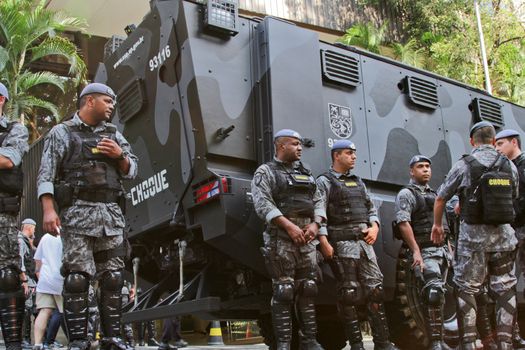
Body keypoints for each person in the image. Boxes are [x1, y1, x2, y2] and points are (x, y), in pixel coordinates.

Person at [37, 83, 138, 350]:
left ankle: (112, 338)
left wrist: (120, 156)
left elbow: (132, 170)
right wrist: (49, 209)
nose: (112, 106)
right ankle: (80, 341)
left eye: (113, 101)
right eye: (107, 100)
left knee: (113, 279)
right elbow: (46, 173)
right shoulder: (62, 133)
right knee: (77, 279)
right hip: (78, 216)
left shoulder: (114, 135)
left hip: (111, 217)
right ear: (89, 101)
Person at [432, 121, 519, 350]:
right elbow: (514, 196)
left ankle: (468, 343)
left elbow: (441, 197)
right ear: (493, 140)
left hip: (473, 240)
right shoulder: (509, 165)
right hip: (504, 238)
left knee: (467, 288)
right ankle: (505, 343)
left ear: (472, 141)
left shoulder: (464, 165)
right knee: (505, 289)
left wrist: (437, 226)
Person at [316, 140, 398, 350]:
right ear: (336, 156)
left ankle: (382, 343)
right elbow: (319, 213)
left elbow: (371, 208)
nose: (353, 156)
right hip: (342, 244)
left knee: (376, 291)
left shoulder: (358, 182)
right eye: (348, 153)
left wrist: (375, 227)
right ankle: (356, 345)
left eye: (354, 152)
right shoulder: (324, 182)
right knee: (348, 293)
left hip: (364, 245)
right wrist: (323, 240)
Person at [251, 129, 325, 350]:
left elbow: (319, 199)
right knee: (284, 290)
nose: (300, 147)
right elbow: (262, 203)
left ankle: (309, 341)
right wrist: (289, 226)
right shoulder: (266, 171)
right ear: (281, 146)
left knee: (308, 288)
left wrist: (316, 223)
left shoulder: (307, 172)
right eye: (294, 144)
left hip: (308, 237)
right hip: (281, 238)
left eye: (301, 143)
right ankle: (284, 344)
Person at [394, 155, 451, 350]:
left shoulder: (436, 195)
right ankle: (435, 342)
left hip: (443, 253)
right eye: (420, 167)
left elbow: (444, 226)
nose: (426, 170)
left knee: (446, 296)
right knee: (433, 294)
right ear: (412, 171)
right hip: (425, 252)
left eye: (428, 166)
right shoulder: (406, 194)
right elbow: (403, 223)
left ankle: (443, 340)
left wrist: (449, 251)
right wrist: (416, 251)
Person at [0, 82, 30, 350]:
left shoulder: (14, 129)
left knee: (7, 276)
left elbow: (9, 159)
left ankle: (13, 343)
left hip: (3, 217)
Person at [495, 128, 525, 349]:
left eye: (501, 144)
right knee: (507, 284)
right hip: (513, 231)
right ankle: (514, 334)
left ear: (514, 142)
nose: (497, 148)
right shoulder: (505, 169)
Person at [32, 232, 64, 350]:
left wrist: (40, 276)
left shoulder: (45, 237)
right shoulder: (65, 235)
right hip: (61, 279)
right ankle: (75, 341)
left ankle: (37, 344)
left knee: (44, 311)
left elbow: (37, 260)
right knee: (66, 311)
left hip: (45, 278)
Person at [19, 218, 37, 349]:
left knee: (29, 309)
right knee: (25, 310)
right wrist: (25, 281)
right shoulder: (21, 241)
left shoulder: (25, 242)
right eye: (34, 229)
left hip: (30, 281)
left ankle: (27, 340)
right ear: (29, 228)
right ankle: (24, 340)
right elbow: (20, 262)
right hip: (25, 282)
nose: (34, 232)